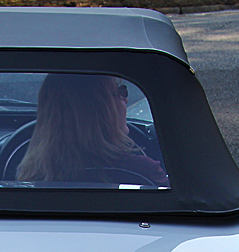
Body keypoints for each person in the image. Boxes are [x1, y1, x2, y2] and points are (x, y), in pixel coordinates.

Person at [16, 73, 169, 186]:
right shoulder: (143, 171)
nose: (126, 99)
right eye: (120, 92)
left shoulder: (30, 176)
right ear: (100, 110)